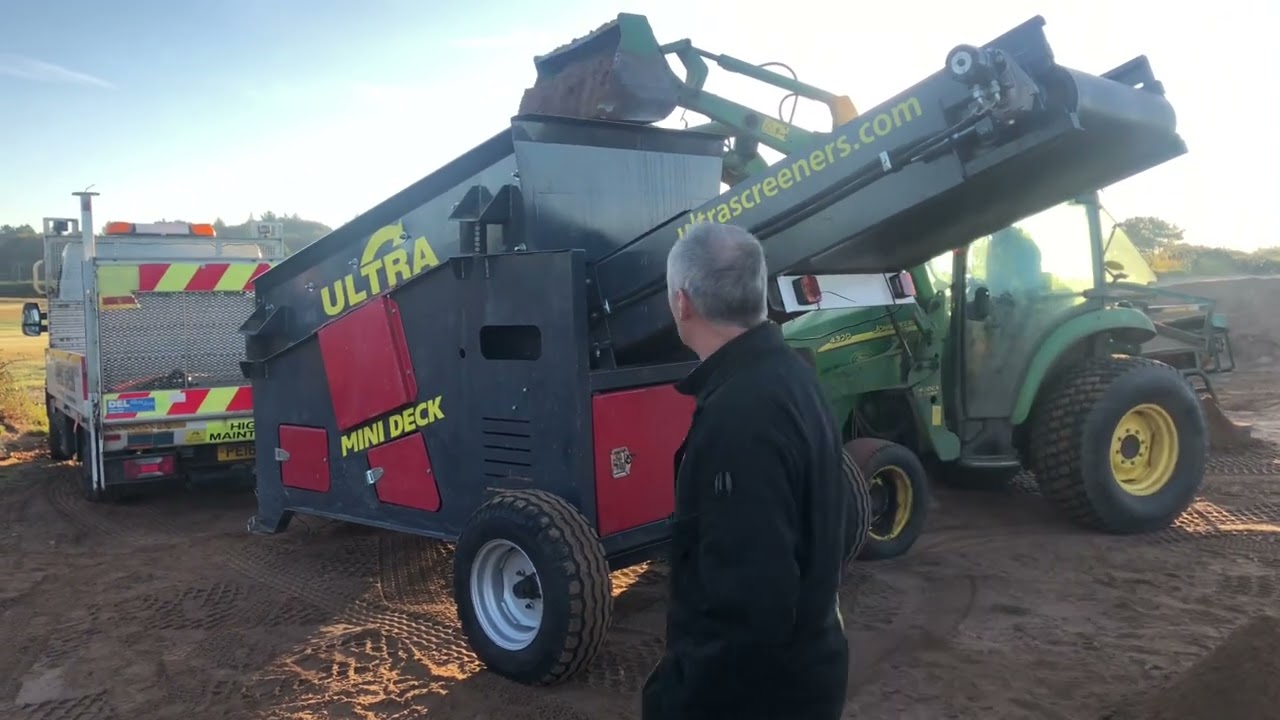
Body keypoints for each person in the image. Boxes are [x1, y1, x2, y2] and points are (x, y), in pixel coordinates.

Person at [641, 222, 851, 720]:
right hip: (805, 678)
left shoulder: (741, 416)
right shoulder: (792, 378)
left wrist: (673, 702)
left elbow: (750, 611)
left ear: (682, 303)